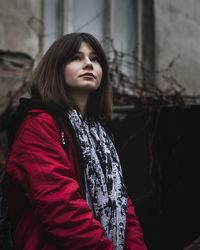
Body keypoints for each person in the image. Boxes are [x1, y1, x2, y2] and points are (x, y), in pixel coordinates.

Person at [5, 32, 147, 250]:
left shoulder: (100, 136)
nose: (88, 64)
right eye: (76, 57)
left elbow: (124, 207)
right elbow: (60, 208)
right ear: (56, 68)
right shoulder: (38, 126)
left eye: (95, 59)